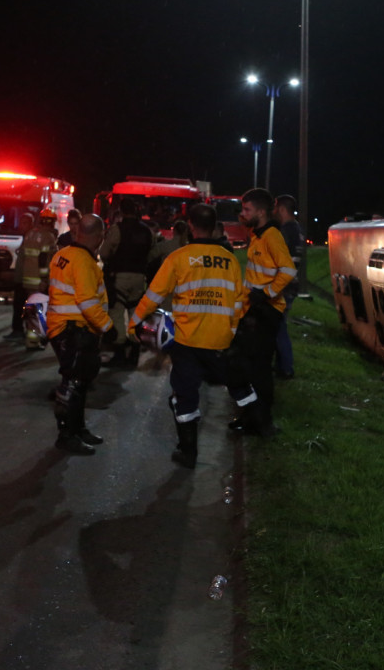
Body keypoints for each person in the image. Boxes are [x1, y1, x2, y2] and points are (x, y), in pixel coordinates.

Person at [130, 203, 261, 468]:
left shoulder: (179, 258)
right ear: (214, 227)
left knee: (185, 396)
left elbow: (154, 296)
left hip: (187, 341)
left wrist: (134, 323)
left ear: (190, 226)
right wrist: (231, 329)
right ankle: (256, 423)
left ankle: (188, 452)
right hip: (221, 340)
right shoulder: (230, 261)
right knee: (236, 383)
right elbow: (240, 301)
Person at [229, 188, 295, 435]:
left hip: (266, 312)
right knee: (246, 366)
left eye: (247, 209)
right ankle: (250, 416)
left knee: (258, 368)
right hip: (254, 310)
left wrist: (267, 294)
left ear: (261, 211)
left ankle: (262, 421)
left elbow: (288, 270)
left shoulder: (271, 236)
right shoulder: (257, 236)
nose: (242, 214)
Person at [47, 213, 113, 455]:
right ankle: (66, 435)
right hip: (74, 329)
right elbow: (87, 302)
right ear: (99, 236)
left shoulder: (62, 255)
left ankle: (78, 429)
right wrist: (108, 327)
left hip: (65, 327)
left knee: (79, 382)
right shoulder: (84, 262)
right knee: (73, 384)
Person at [98, 199, 152, 367]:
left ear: (121, 212)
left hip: (120, 277)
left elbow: (104, 253)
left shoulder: (117, 230)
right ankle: (134, 353)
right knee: (135, 315)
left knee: (116, 313)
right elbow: (151, 254)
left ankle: (120, 353)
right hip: (139, 278)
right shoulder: (146, 231)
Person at [7, 209, 57, 342]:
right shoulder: (48, 237)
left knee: (31, 311)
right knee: (39, 311)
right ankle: (36, 339)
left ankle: (32, 338)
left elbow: (24, 258)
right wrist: (44, 280)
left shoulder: (30, 235)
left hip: (27, 280)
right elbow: (43, 259)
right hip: (39, 282)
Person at [273, 194, 305, 380]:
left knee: (279, 327)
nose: (274, 211)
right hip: (291, 285)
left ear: (282, 209)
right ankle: (281, 365)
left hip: (284, 286)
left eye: (276, 207)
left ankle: (286, 367)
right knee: (279, 325)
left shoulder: (285, 231)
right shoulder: (297, 229)